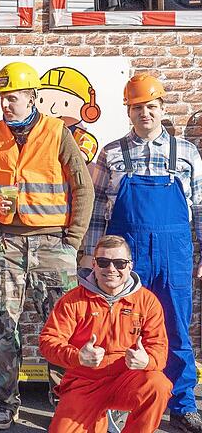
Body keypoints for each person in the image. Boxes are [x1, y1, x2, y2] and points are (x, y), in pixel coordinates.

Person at [83, 73, 202, 433]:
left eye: (151, 106)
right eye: (137, 107)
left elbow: (200, 206)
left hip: (174, 255)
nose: (144, 113)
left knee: (176, 327)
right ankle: (121, 404)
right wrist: (90, 257)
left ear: (162, 108)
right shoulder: (112, 153)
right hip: (126, 258)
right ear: (128, 111)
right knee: (123, 328)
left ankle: (182, 405)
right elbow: (97, 209)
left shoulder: (186, 152)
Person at [0, 61, 93, 430]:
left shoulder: (57, 132)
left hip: (52, 243)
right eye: (2, 97)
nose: (5, 104)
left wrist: (72, 242)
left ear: (31, 97)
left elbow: (83, 188)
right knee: (1, 326)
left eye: (12, 97)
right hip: (7, 243)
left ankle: (64, 403)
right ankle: (6, 402)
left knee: (62, 329)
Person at [40, 235, 172, 432]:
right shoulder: (72, 300)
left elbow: (159, 348)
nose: (111, 269)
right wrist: (77, 356)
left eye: (119, 263)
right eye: (103, 262)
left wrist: (147, 361)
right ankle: (97, 421)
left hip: (127, 379)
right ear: (94, 264)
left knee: (158, 385)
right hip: (84, 382)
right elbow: (48, 342)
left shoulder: (147, 301)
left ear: (130, 266)